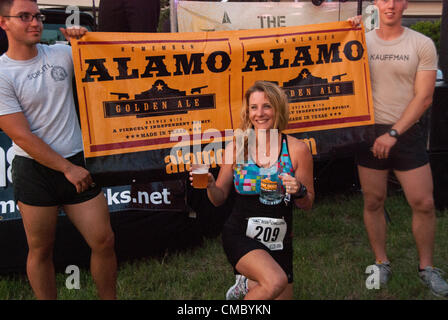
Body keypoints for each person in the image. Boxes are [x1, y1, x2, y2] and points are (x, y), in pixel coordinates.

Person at [0, 0, 117, 300]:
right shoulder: (3, 73)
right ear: (4, 23)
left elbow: (111, 62)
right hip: (35, 171)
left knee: (103, 241)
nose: (35, 22)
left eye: (37, 16)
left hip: (76, 161)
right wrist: (66, 169)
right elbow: (21, 135)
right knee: (40, 250)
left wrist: (85, 41)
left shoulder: (62, 54)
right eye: (24, 17)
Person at [349, 0, 448, 298]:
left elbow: (425, 97)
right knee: (374, 201)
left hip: (405, 132)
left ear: (405, 3)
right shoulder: (358, 40)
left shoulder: (422, 43)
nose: (390, 5)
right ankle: (381, 262)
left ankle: (427, 268)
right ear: (375, 4)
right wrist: (343, 32)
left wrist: (393, 133)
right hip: (368, 132)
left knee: (424, 202)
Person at [191, 81, 314, 300]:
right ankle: (251, 279)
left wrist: (300, 190)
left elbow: (307, 204)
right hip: (240, 233)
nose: (260, 113)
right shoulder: (237, 147)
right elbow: (219, 198)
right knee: (275, 280)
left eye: (266, 106)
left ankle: (247, 282)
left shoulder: (297, 149)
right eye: (254, 107)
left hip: (280, 240)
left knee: (274, 288)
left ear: (278, 108)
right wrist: (210, 185)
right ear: (247, 112)